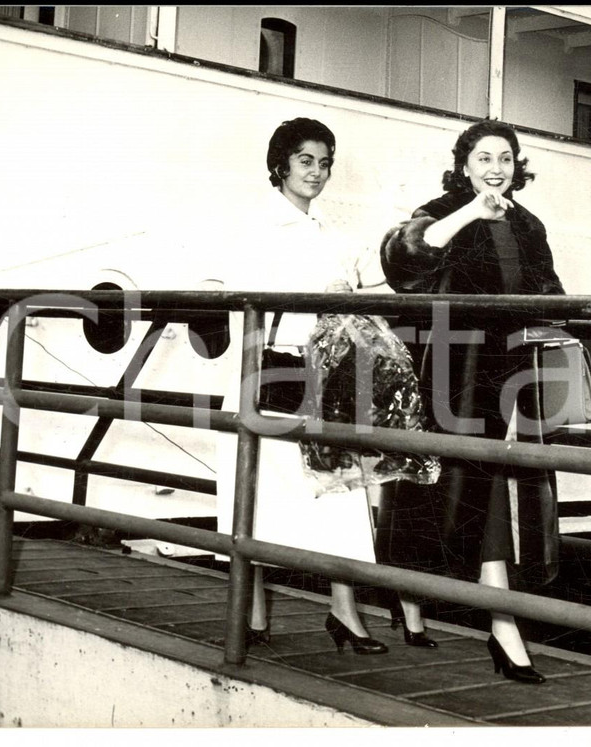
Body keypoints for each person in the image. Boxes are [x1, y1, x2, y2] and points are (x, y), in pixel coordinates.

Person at [378, 119, 565, 683]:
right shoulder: (440, 210)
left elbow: (552, 290)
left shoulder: (529, 224)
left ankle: (466, 612)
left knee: (484, 483)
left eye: (505, 158)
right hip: (446, 367)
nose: (495, 169)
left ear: (517, 165)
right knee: (430, 478)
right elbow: (403, 259)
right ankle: (451, 610)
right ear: (464, 166)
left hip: (507, 373)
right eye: (484, 158)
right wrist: (470, 213)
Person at [216, 118, 389, 655]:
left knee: (341, 492)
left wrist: (349, 294)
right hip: (268, 375)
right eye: (307, 160)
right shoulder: (252, 228)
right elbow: (233, 296)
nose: (317, 172)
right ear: (281, 164)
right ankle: (254, 607)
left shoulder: (332, 235)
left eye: (325, 162)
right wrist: (320, 295)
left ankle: (344, 611)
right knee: (258, 492)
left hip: (324, 378)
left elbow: (380, 282)